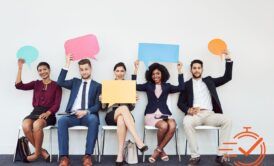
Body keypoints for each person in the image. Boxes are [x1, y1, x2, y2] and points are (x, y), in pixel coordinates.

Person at [177, 50, 233, 166]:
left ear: (202, 69)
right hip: (194, 115)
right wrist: (188, 110)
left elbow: (227, 77)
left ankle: (221, 155)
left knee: (228, 120)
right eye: (194, 68)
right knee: (186, 122)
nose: (196, 70)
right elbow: (180, 103)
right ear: (191, 70)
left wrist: (228, 59)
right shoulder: (187, 84)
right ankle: (195, 157)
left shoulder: (210, 81)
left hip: (209, 115)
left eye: (199, 68)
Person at [133, 60, 184, 163]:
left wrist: (179, 71)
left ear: (162, 74)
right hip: (151, 115)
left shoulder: (167, 86)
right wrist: (135, 70)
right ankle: (160, 151)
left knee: (172, 125)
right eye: (153, 74)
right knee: (164, 126)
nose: (155, 76)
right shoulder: (148, 85)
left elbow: (181, 87)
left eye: (157, 73)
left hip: (165, 113)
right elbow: (133, 86)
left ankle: (158, 149)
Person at [100, 62, 148, 166]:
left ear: (125, 72)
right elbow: (103, 108)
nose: (120, 73)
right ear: (114, 72)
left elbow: (131, 108)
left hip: (126, 117)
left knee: (122, 117)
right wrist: (103, 100)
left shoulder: (128, 86)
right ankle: (138, 140)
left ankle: (120, 155)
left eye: (122, 71)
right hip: (111, 115)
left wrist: (133, 101)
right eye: (117, 70)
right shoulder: (109, 85)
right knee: (122, 108)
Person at [57, 54, 101, 166]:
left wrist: (86, 111)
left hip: (87, 115)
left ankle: (87, 156)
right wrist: (67, 64)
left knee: (94, 119)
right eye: (81, 70)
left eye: (86, 69)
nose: (84, 72)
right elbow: (60, 82)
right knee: (62, 121)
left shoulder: (97, 85)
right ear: (79, 71)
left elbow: (97, 105)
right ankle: (64, 157)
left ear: (91, 69)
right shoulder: (75, 82)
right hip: (73, 115)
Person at [15, 59, 62, 162]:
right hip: (35, 112)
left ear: (49, 70)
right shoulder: (36, 84)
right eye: (40, 70)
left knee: (37, 125)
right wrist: (20, 68)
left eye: (44, 69)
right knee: (25, 125)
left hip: (49, 114)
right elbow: (19, 86)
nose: (42, 72)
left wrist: (48, 113)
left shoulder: (57, 85)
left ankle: (36, 154)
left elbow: (57, 104)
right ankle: (41, 151)